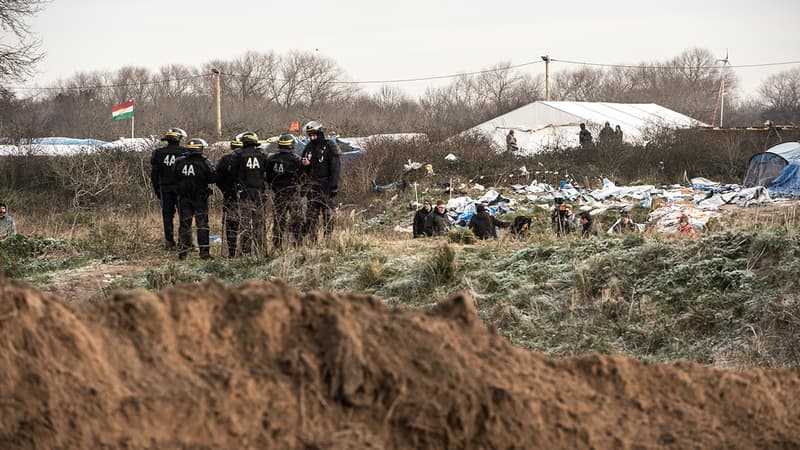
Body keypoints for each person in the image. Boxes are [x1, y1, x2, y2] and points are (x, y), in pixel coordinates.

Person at [174, 138, 215, 260]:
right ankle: (204, 253)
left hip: (184, 198)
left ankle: (183, 251)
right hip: (200, 198)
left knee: (184, 224)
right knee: (202, 225)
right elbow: (213, 177)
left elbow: (174, 175)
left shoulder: (179, 162)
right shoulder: (204, 162)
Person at [301, 120, 341, 237]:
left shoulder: (329, 146)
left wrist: (333, 186)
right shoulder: (308, 147)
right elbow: (302, 164)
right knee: (311, 214)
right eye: (310, 136)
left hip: (326, 184)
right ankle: (312, 239)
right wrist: (304, 165)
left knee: (327, 214)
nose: (312, 138)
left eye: (314, 135)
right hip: (312, 185)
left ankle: (328, 238)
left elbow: (335, 168)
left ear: (319, 133)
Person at [150, 127, 188, 250]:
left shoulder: (158, 153)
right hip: (181, 189)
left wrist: (156, 189)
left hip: (165, 188)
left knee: (167, 216)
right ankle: (184, 243)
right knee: (184, 216)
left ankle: (169, 242)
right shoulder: (185, 152)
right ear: (179, 139)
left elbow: (154, 174)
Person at [233, 131, 270, 256]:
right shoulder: (262, 154)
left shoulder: (239, 155)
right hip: (259, 191)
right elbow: (267, 173)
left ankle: (245, 250)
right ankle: (260, 249)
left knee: (245, 222)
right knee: (259, 222)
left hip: (244, 192)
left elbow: (233, 173)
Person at [265, 133, 304, 249]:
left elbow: (267, 177)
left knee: (278, 221)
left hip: (278, 194)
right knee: (297, 220)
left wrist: (273, 187)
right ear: (291, 145)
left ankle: (277, 246)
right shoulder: (296, 160)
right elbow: (303, 176)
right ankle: (298, 245)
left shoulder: (271, 159)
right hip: (293, 194)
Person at [215, 136, 243, 258]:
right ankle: (245, 250)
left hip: (229, 195)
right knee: (246, 222)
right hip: (245, 195)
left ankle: (231, 251)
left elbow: (217, 178)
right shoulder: (246, 158)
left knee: (231, 223)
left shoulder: (224, 159)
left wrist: (225, 190)